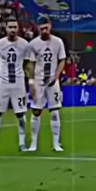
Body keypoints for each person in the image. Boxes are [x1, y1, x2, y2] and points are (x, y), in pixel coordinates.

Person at [0, 17, 30, 152]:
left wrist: (29, 80)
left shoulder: (25, 45)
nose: (13, 30)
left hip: (18, 83)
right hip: (3, 82)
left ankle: (22, 143)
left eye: (15, 27)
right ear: (5, 28)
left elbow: (27, 64)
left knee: (20, 114)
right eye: (10, 27)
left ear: (18, 28)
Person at [27, 15, 66, 153]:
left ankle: (56, 144)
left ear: (50, 26)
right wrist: (31, 82)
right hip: (39, 82)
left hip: (53, 81)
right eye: (42, 29)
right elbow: (31, 64)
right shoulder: (33, 44)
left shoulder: (58, 42)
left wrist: (56, 75)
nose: (44, 31)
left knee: (54, 112)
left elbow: (62, 60)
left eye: (46, 28)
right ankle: (33, 143)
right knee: (36, 111)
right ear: (38, 28)